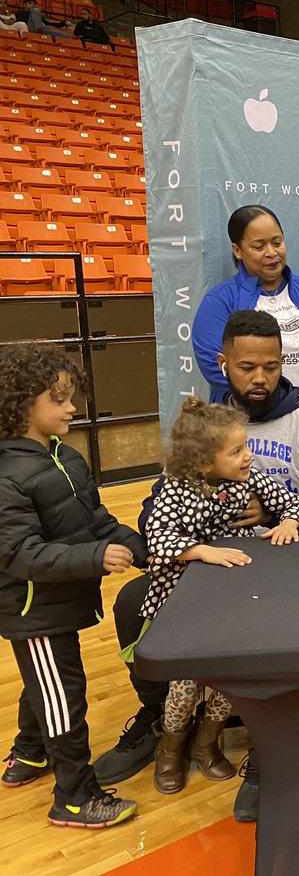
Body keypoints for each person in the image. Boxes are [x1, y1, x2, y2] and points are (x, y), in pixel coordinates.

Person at [95, 311, 299, 819]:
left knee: (262, 635)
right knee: (131, 603)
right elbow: (155, 512)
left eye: (272, 366)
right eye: (247, 367)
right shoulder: (205, 430)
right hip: (210, 569)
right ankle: (162, 723)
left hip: (279, 565)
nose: (260, 378)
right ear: (223, 364)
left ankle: (265, 744)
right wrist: (192, 536)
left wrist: (275, 515)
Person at [0, 344, 144, 828]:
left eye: (71, 397)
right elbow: (18, 554)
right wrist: (94, 558)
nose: (71, 408)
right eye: (58, 399)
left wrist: (153, 551)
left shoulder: (65, 457)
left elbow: (96, 521)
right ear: (23, 404)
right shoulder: (7, 475)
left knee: (45, 682)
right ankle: (75, 798)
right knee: (63, 694)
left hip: (59, 599)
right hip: (33, 610)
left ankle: (30, 751)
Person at [140, 398, 299, 794]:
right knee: (185, 685)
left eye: (246, 445)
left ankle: (206, 744)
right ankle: (170, 750)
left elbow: (289, 501)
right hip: (187, 603)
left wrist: (289, 520)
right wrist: (202, 550)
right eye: (236, 451)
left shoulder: (250, 479)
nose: (248, 456)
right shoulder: (176, 488)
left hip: (235, 599)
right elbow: (158, 537)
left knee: (230, 677)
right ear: (204, 462)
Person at [193, 206, 299, 414]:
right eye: (259, 246)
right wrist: (281, 408)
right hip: (249, 423)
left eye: (277, 242)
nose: (272, 253)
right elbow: (216, 368)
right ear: (238, 250)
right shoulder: (220, 301)